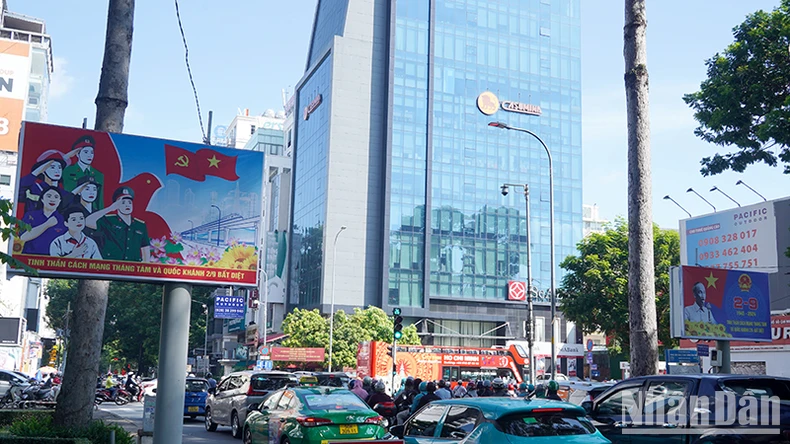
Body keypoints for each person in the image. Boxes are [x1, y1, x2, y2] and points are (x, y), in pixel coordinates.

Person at [87, 186, 151, 262]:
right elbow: (87, 222)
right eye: (123, 202)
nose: (127, 205)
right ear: (116, 205)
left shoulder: (140, 225)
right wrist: (110, 208)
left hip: (132, 268)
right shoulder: (108, 220)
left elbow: (145, 251)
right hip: (111, 267)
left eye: (129, 202)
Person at [19, 186, 67, 255]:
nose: (52, 200)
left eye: (56, 197)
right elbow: (23, 237)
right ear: (42, 199)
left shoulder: (63, 219)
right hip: (30, 258)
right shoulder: (31, 215)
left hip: (54, 261)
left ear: (60, 201)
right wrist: (47, 224)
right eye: (49, 196)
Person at [62, 135, 104, 207]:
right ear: (77, 154)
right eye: (86, 152)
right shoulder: (67, 171)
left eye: (92, 152)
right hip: (71, 210)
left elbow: (99, 202)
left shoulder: (98, 175)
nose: (89, 155)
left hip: (91, 213)